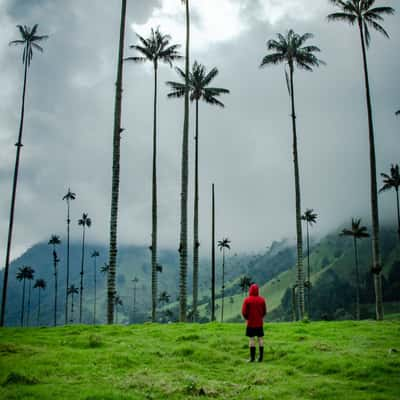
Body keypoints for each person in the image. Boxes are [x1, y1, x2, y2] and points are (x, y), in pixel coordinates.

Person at [241, 283, 267, 362]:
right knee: (260, 338)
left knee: (251, 339)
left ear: (250, 290)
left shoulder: (247, 300)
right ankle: (261, 358)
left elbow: (244, 312)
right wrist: (260, 317)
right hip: (259, 323)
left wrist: (247, 318)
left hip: (251, 323)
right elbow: (264, 311)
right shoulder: (262, 300)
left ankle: (252, 358)